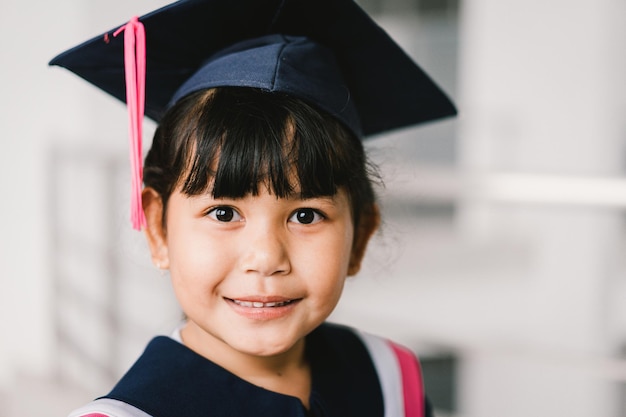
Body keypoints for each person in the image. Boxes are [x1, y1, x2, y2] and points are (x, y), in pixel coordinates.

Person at [50, 0, 456, 416]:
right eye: (224, 213)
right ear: (158, 227)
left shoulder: (388, 375)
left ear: (361, 235)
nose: (266, 259)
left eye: (306, 215)